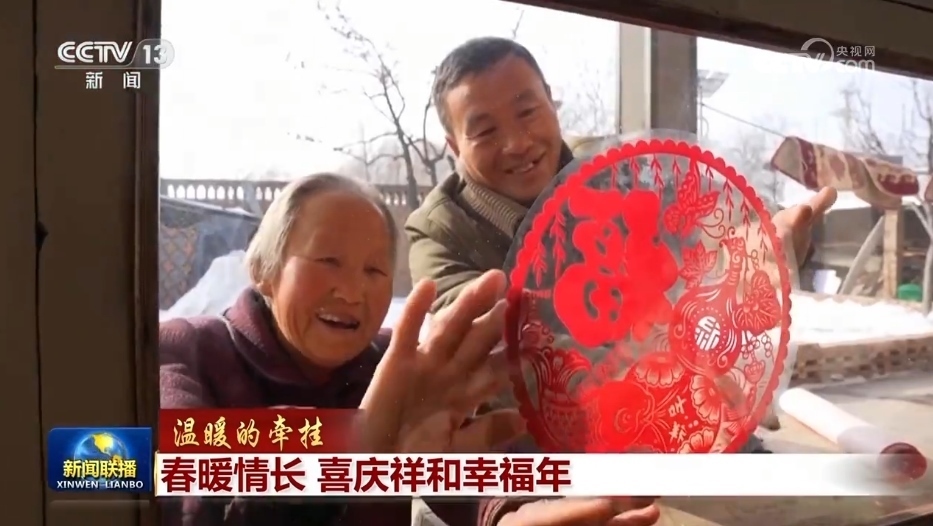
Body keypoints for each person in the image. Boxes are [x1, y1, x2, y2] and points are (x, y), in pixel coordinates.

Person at [405, 36, 838, 524]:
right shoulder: (439, 231)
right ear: (453, 147)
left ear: (551, 102)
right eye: (485, 131)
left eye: (527, 112)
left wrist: (774, 238)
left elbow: (710, 214)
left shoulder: (614, 166)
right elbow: (507, 348)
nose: (517, 143)